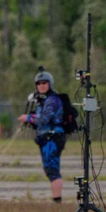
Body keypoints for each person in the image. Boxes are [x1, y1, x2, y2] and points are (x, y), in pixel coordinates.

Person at [19, 69, 66, 203]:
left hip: (52, 138)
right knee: (49, 169)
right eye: (39, 83)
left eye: (44, 83)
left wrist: (28, 117)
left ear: (50, 84)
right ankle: (56, 199)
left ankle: (57, 201)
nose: (42, 85)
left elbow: (44, 119)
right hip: (45, 139)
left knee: (52, 169)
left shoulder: (53, 100)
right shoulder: (42, 101)